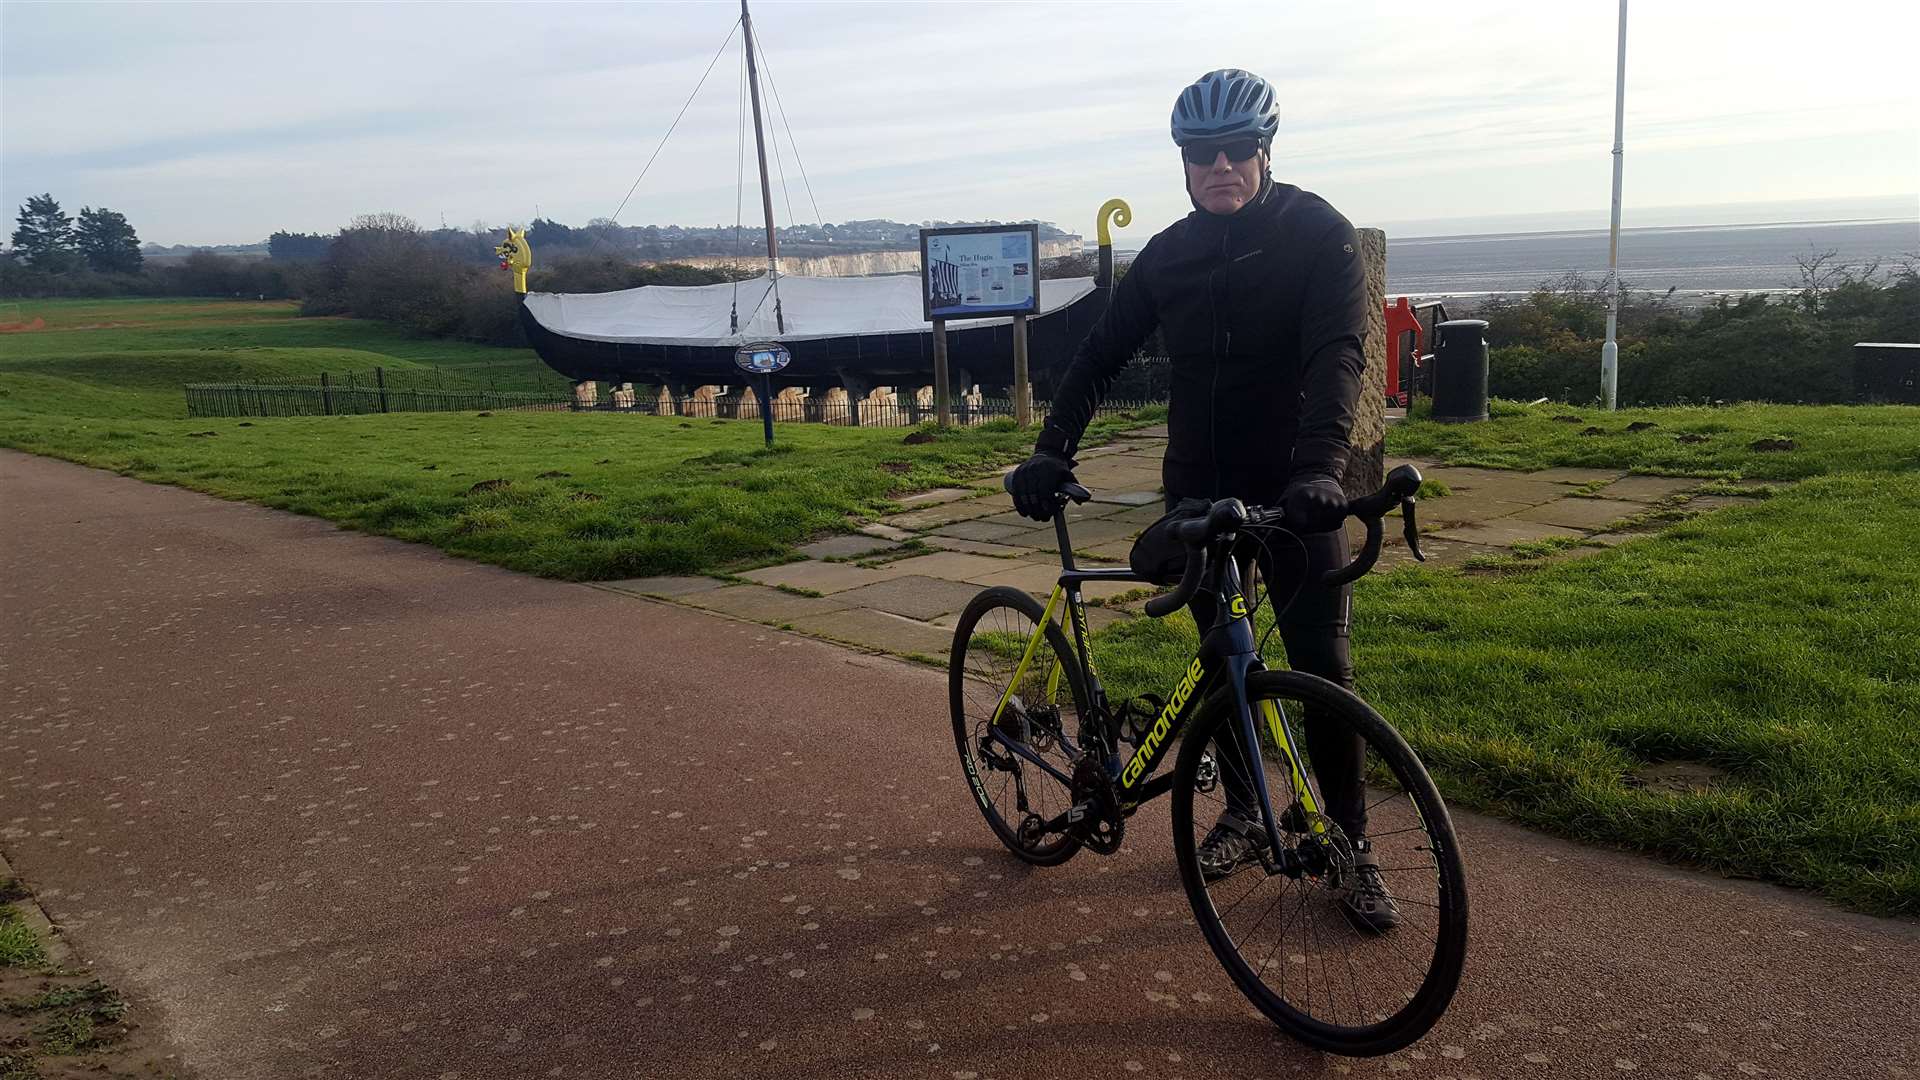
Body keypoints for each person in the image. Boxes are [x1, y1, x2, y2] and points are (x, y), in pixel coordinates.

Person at [1006, 68, 1397, 933]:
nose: (1222, 166)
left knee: (1322, 670)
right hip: (1197, 486)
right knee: (1223, 660)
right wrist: (1048, 449)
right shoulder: (1171, 255)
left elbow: (1337, 355)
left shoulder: (1314, 234)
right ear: (1183, 163)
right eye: (1202, 153)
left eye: (1238, 150)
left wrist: (1321, 469)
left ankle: (1351, 844)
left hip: (1297, 488)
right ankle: (1246, 811)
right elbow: (1099, 355)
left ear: (1265, 152)